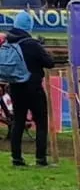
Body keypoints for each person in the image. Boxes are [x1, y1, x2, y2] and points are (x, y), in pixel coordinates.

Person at [4, 12, 53, 167]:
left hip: (15, 87)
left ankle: (16, 158)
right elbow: (49, 63)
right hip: (33, 88)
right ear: (29, 26)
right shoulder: (32, 44)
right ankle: (40, 159)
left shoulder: (8, 41)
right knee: (41, 122)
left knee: (18, 121)